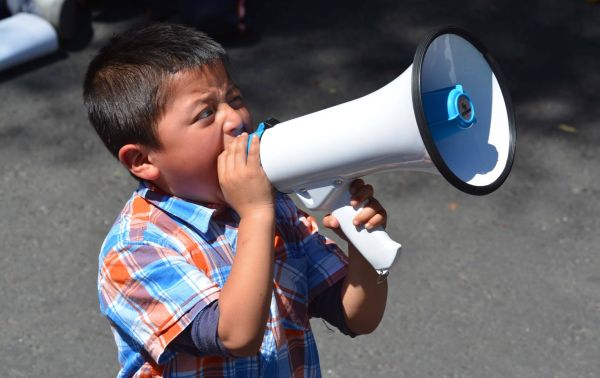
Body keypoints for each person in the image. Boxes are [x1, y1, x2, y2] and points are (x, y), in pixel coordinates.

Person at [83, 22, 388, 378]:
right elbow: (234, 334)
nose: (235, 120)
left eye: (235, 99)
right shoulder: (134, 249)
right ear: (143, 160)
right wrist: (256, 215)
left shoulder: (276, 206)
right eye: (205, 113)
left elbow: (356, 316)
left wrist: (362, 245)